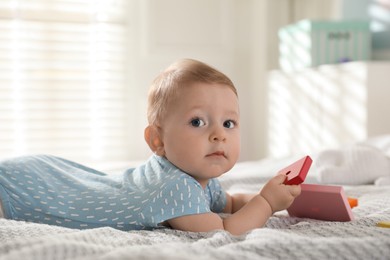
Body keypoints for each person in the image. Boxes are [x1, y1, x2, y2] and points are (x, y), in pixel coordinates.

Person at [0, 59, 301, 235]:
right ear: (157, 140)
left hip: (47, 172)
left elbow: (232, 203)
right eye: (197, 122)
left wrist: (278, 196)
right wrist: (267, 204)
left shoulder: (196, 176)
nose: (218, 135)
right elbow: (225, 231)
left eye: (228, 123)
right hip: (25, 188)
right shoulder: (174, 187)